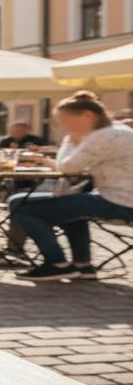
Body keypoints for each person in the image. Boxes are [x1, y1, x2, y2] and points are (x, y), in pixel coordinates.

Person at [9, 92, 133, 281]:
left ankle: (57, 264)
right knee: (67, 201)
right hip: (118, 197)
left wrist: (70, 139)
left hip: (121, 201)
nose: (65, 127)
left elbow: (67, 167)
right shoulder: (117, 129)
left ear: (87, 115)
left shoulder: (103, 136)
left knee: (20, 205)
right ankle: (82, 265)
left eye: (67, 121)